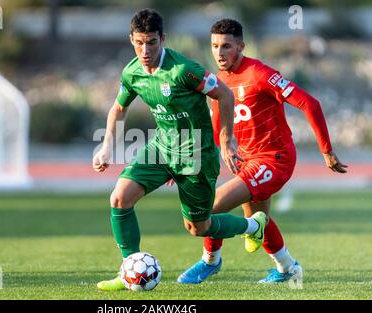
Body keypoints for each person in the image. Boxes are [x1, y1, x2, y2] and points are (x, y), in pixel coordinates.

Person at [92, 9, 268, 291]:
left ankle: (253, 226)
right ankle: (129, 272)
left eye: (151, 42)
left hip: (196, 154)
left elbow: (224, 94)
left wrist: (226, 139)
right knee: (120, 198)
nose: (145, 50)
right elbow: (119, 108)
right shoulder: (133, 71)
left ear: (163, 38)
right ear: (131, 40)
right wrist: (106, 147)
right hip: (161, 147)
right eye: (139, 42)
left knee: (199, 227)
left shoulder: (184, 70)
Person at [177, 18, 348, 285]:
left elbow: (309, 103)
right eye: (214, 46)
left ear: (241, 46)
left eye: (226, 46)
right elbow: (215, 127)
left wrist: (326, 151)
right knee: (259, 220)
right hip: (247, 162)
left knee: (209, 206)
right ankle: (287, 268)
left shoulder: (259, 74)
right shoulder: (218, 82)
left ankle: (210, 261)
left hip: (275, 159)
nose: (219, 53)